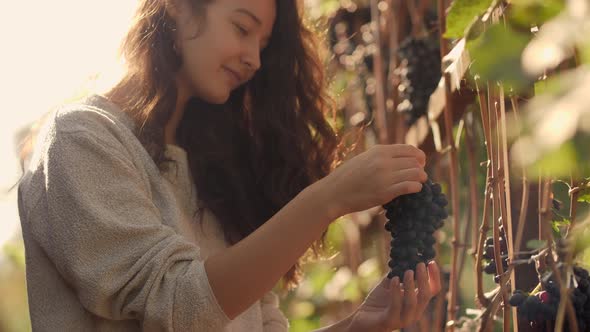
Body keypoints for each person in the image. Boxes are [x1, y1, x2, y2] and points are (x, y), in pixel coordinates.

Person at [16, 0, 441, 331]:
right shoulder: (81, 139)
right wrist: (328, 199)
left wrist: (359, 326)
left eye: (263, 44)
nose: (254, 59)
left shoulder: (211, 172)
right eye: (242, 28)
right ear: (178, 7)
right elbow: (179, 310)